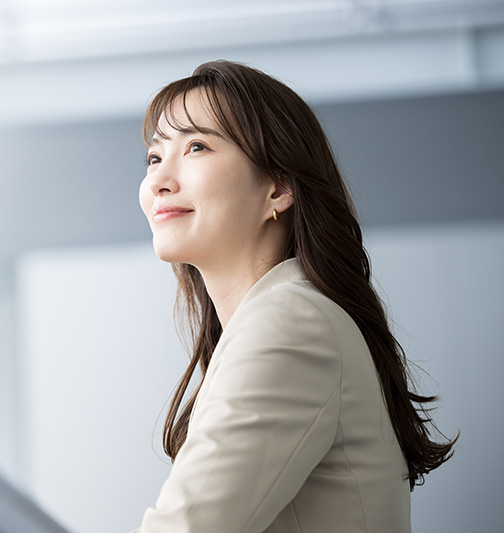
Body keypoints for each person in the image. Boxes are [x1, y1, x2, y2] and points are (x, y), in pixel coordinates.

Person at [131, 60, 457, 533]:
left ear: (278, 188)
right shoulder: (279, 318)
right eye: (155, 158)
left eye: (196, 146)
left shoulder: (289, 322)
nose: (159, 181)